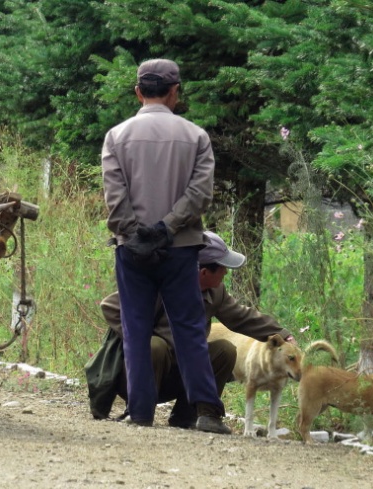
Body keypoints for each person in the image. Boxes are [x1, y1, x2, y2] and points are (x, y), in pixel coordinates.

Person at [101, 58, 225, 432]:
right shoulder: (197, 137)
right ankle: (206, 411)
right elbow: (200, 194)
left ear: (139, 92)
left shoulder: (116, 136)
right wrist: (167, 229)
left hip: (131, 249)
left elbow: (114, 196)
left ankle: (140, 413)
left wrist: (139, 234)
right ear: (174, 93)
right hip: (182, 247)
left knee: (135, 326)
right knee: (189, 327)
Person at [85, 231, 297, 429]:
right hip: (139, 373)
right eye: (222, 267)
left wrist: (283, 333)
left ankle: (195, 415)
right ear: (204, 272)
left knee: (225, 350)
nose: (225, 272)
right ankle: (140, 410)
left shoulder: (215, 292)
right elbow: (109, 306)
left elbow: (242, 317)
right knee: (154, 346)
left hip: (181, 372)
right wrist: (138, 337)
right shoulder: (159, 283)